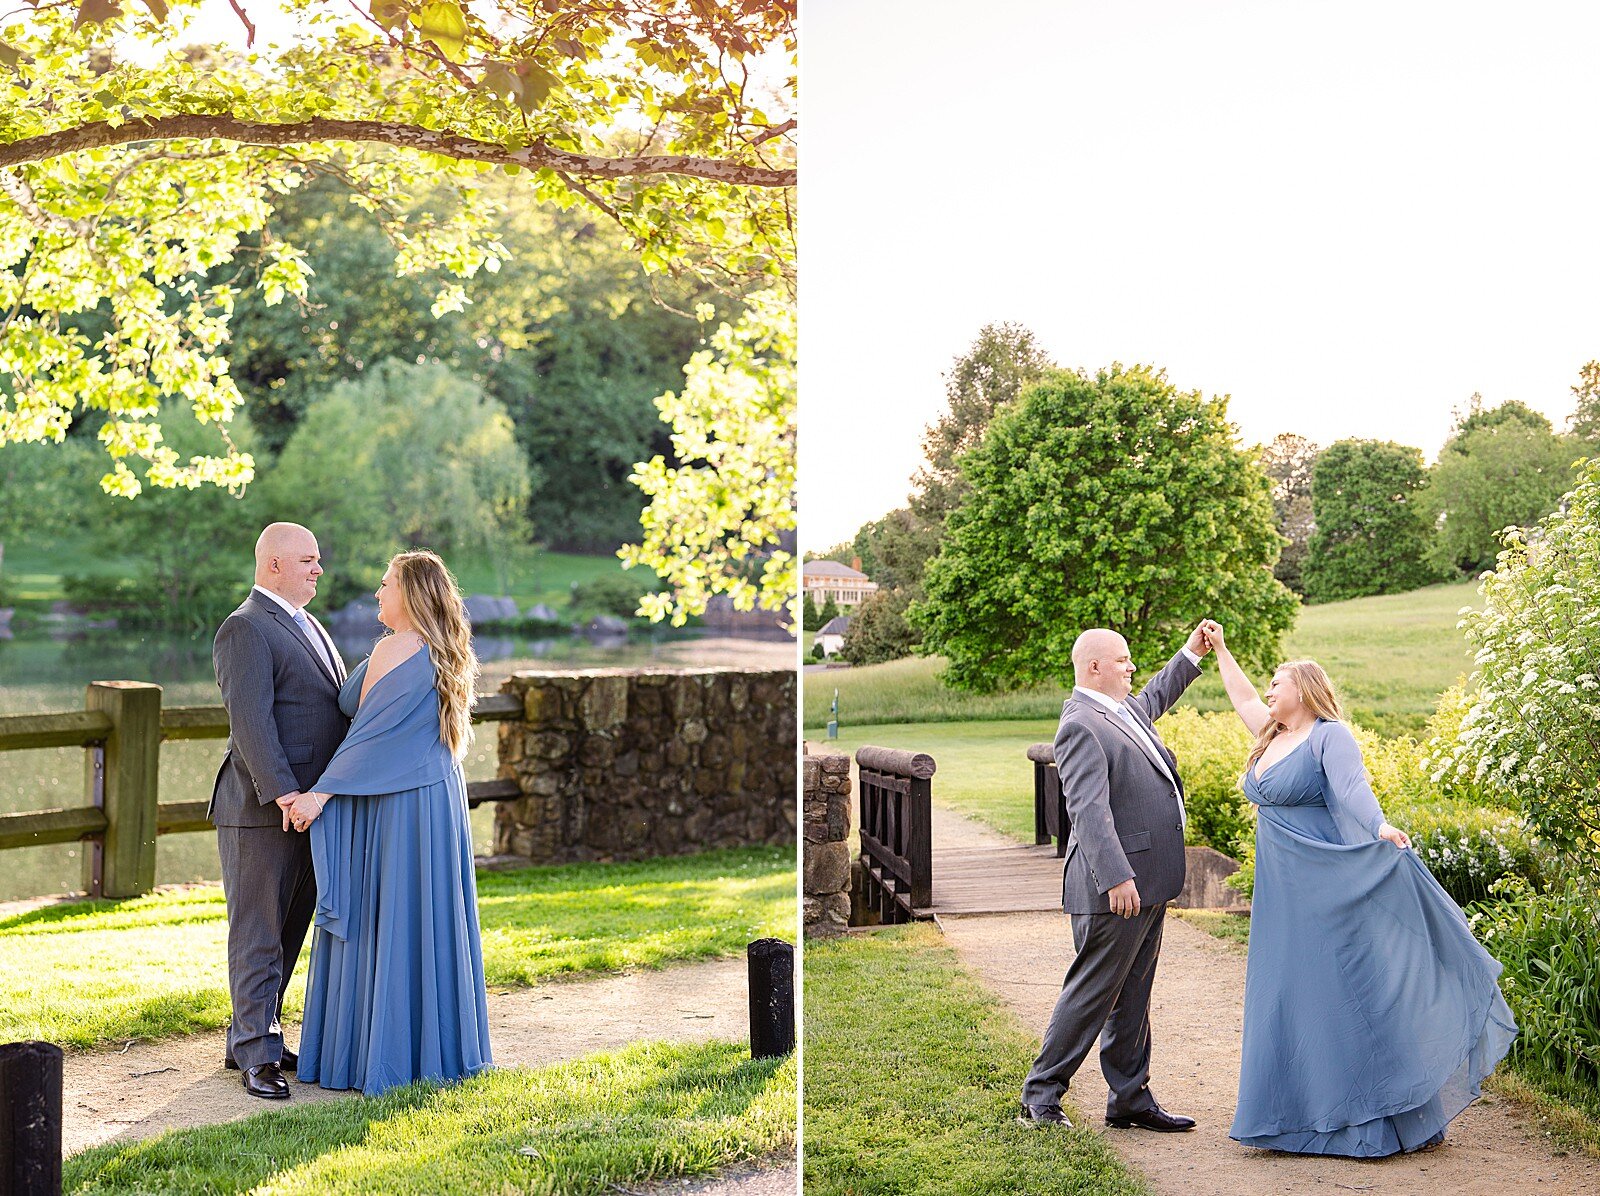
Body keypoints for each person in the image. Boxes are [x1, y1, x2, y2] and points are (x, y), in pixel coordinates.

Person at [1203, 620, 1516, 1156]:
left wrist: (1380, 828)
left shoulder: (1329, 736)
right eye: (1270, 686)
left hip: (1325, 880)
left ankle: (1371, 1117)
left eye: (1278, 683)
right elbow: (1243, 695)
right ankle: (1290, 1116)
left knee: (1336, 989)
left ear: (1303, 688)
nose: (1269, 691)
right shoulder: (1272, 736)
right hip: (1283, 889)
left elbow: (1352, 789)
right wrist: (1222, 650)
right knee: (1286, 990)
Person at [282, 549, 492, 1096]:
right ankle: (435, 1053)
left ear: (412, 594)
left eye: (386, 584)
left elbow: (370, 738)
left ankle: (379, 1056)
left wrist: (318, 795)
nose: (377, 593)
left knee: (387, 917)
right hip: (436, 800)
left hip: (396, 803)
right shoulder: (450, 652)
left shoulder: (395, 648)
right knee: (425, 916)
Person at [1019, 623, 1211, 1132]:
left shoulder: (1120, 711)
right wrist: (1117, 877)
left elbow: (1156, 694)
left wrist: (1190, 654)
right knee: (1091, 993)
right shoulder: (1081, 723)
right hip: (1115, 889)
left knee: (1133, 994)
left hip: (1148, 882)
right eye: (1123, 659)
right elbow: (1088, 810)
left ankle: (1129, 1097)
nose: (1131, 667)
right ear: (1095, 667)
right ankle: (1040, 1096)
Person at [209, 522, 349, 1100]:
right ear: (273, 565)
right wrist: (286, 794)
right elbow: (251, 722)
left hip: (307, 809)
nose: (318, 568)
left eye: (318, 559)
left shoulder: (308, 623)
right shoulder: (244, 628)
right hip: (264, 807)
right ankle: (256, 1055)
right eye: (308, 560)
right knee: (258, 931)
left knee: (289, 929)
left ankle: (252, 1036)